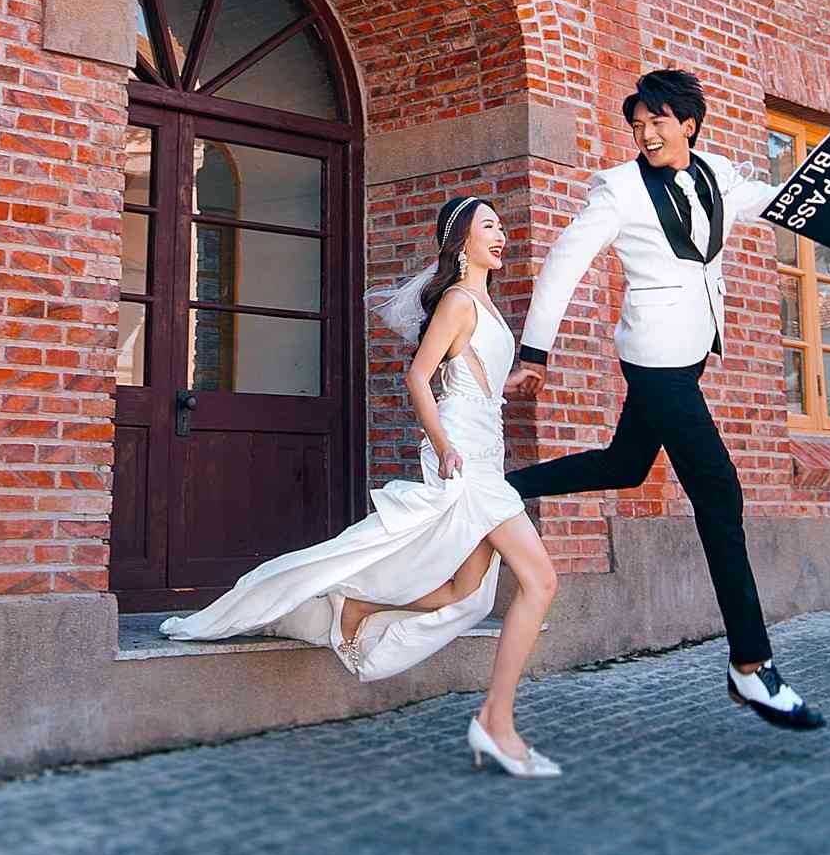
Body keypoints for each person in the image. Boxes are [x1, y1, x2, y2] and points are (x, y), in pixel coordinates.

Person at [160, 196, 566, 777]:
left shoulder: (485, 305)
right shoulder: (457, 301)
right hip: (467, 462)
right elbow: (419, 377)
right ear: (460, 243)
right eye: (488, 227)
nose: (500, 235)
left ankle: (356, 606)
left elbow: (475, 380)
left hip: (487, 457)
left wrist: (515, 378)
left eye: (501, 226)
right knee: (540, 580)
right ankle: (496, 722)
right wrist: (443, 445)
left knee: (460, 591)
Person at [503, 69, 824, 730]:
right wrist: (535, 352)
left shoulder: (717, 176)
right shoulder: (618, 191)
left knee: (624, 465)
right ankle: (751, 664)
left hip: (693, 348)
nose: (645, 134)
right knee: (720, 494)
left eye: (657, 122)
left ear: (688, 125)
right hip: (653, 357)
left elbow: (782, 201)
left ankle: (502, 489)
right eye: (637, 125)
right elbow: (564, 262)